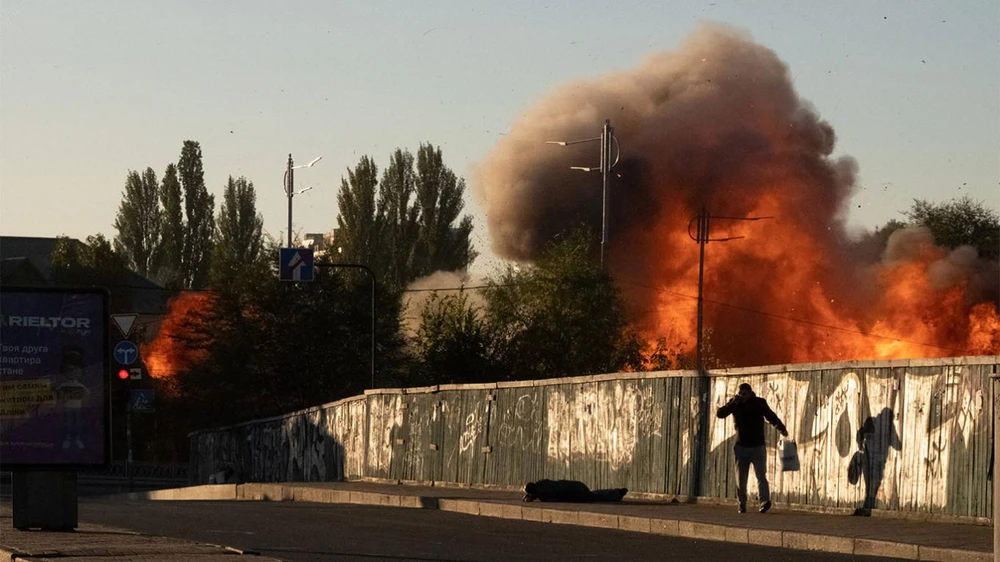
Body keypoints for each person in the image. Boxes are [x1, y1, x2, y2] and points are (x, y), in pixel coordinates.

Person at [716, 382, 787, 514]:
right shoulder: (735, 403)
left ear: (750, 393)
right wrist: (732, 404)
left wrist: (781, 428)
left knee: (761, 475)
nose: (742, 396)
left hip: (757, 446)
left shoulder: (759, 403)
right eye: (740, 394)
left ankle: (764, 501)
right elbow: (720, 414)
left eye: (744, 394)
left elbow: (770, 416)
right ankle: (742, 503)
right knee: (741, 478)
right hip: (741, 446)